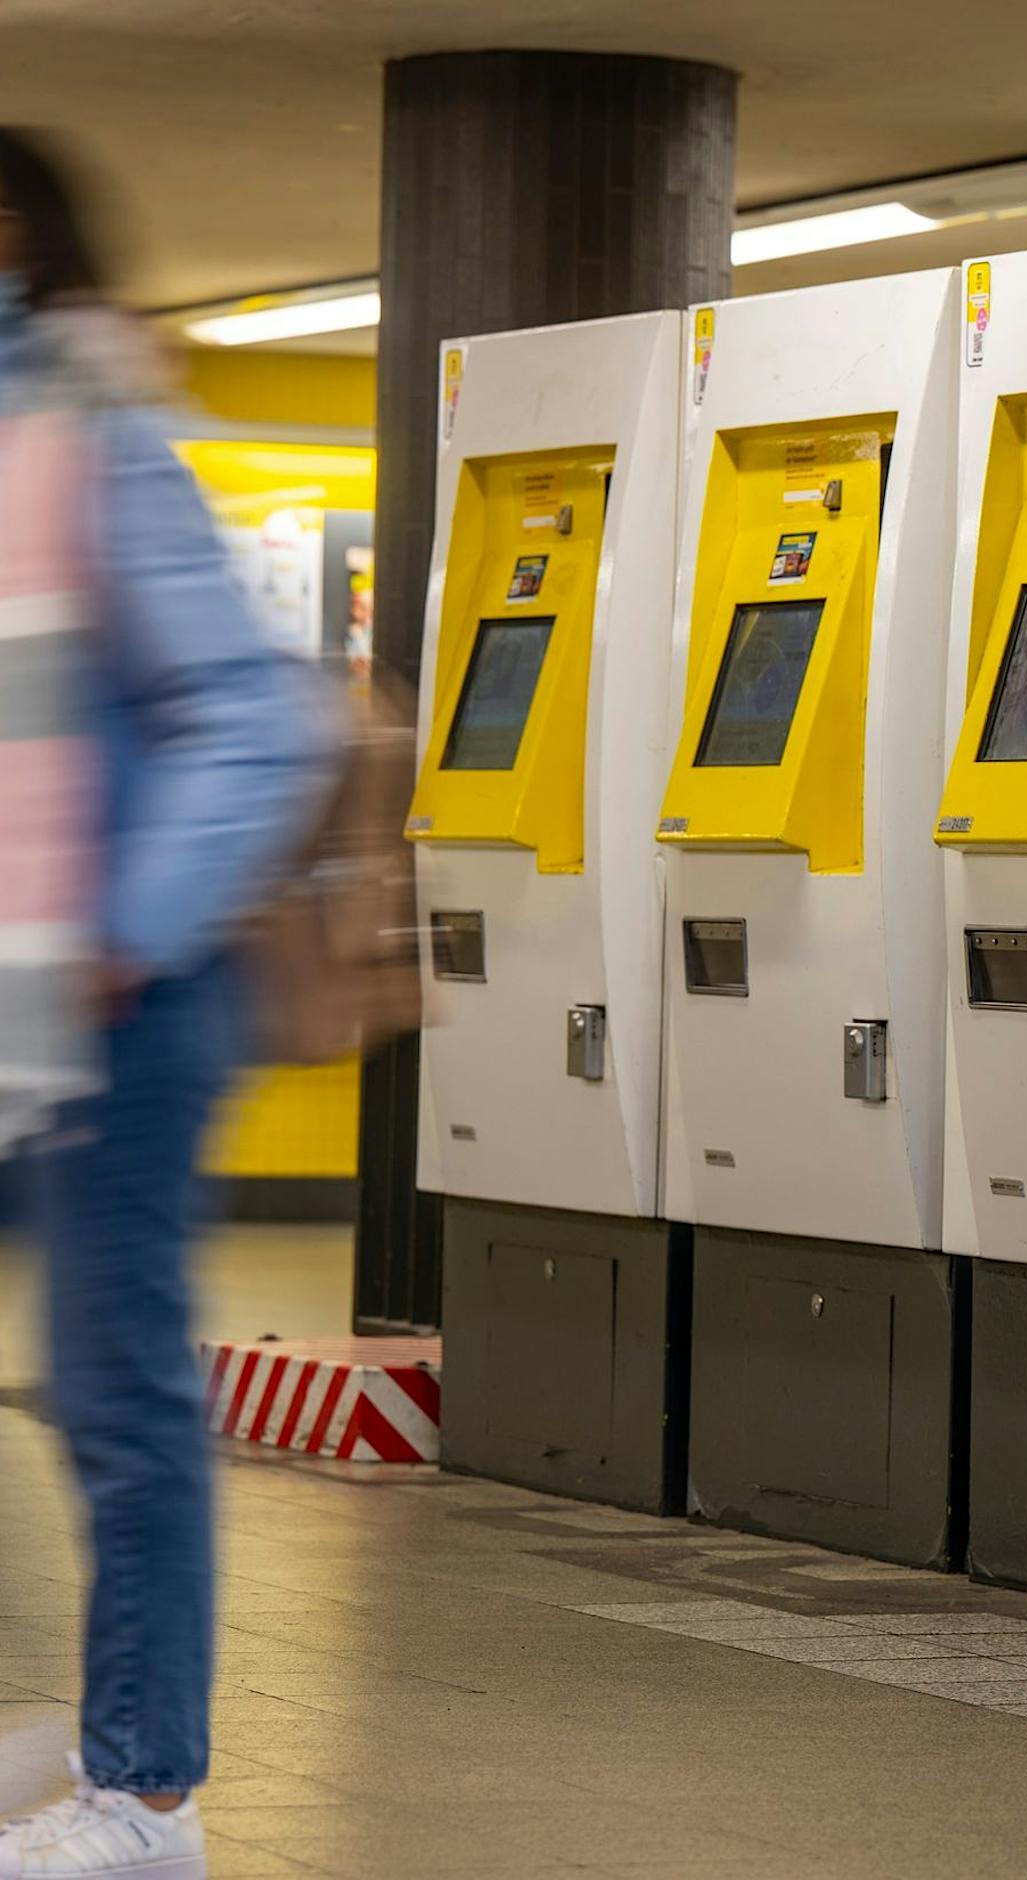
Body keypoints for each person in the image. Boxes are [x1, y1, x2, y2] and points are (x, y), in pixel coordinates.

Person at [0, 129, 335, 1877]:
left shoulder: (93, 441)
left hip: (124, 997)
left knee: (118, 1393)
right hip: (19, 999)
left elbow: (259, 721)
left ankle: (143, 1800)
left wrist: (127, 932)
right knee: (88, 1387)